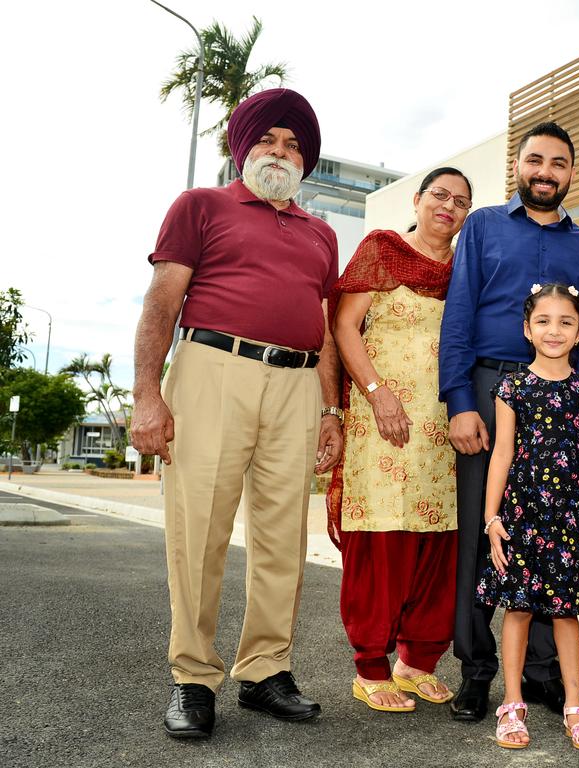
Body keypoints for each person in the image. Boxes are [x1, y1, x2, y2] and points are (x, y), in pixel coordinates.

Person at [131, 88, 342, 738]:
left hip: (297, 385)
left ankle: (265, 672)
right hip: (212, 372)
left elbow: (326, 326)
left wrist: (331, 409)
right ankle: (194, 680)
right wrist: (147, 394)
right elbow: (163, 301)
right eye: (269, 141)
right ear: (242, 147)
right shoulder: (201, 206)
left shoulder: (321, 233)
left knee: (282, 535)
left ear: (306, 162)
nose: (281, 153)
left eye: (294, 146)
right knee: (200, 533)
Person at [439, 121, 579, 722]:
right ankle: (478, 670)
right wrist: (459, 399)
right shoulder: (481, 226)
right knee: (484, 532)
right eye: (535, 160)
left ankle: (541, 674)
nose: (545, 172)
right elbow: (458, 313)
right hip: (487, 389)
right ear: (518, 165)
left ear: (570, 174)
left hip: (559, 396)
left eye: (558, 163)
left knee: (550, 529)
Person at [326, 168, 473, 712]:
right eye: (440, 195)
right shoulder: (381, 249)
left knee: (438, 543)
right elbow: (344, 326)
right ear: (416, 199)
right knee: (383, 539)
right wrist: (376, 391)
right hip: (383, 421)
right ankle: (370, 668)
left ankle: (417, 662)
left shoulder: (465, 268)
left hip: (445, 428)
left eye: (461, 201)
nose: (449, 206)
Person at [477, 283, 579, 751]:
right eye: (543, 321)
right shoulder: (512, 387)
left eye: (565, 322)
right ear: (527, 329)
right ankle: (512, 702)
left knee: (566, 614)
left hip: (572, 517)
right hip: (522, 515)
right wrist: (491, 518)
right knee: (518, 609)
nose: (553, 330)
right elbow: (501, 454)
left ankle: (574, 707)